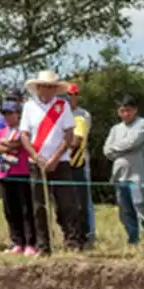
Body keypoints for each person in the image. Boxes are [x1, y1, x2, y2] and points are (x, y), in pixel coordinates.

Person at [20, 71, 83, 254]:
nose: (49, 90)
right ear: (38, 87)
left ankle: (72, 241)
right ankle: (43, 244)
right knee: (39, 206)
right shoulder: (29, 107)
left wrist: (56, 157)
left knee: (66, 203)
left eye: (52, 87)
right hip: (36, 162)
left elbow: (69, 134)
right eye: (46, 86)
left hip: (60, 162)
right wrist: (36, 156)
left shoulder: (62, 106)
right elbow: (24, 135)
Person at [104, 93, 144, 249]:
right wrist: (120, 149)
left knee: (142, 208)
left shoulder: (142, 124)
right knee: (124, 211)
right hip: (120, 176)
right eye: (122, 111)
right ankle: (132, 239)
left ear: (135, 110)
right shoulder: (115, 129)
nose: (125, 114)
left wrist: (117, 148)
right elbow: (106, 150)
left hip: (138, 176)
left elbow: (133, 142)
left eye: (128, 110)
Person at [0, 101, 34, 255]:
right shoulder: (0, 131)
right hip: (4, 173)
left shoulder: (23, 130)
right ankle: (17, 241)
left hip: (21, 173)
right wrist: (7, 145)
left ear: (18, 114)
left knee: (25, 209)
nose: (7, 117)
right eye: (5, 114)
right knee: (10, 210)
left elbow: (20, 144)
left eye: (10, 113)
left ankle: (30, 242)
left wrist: (7, 145)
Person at [67, 83, 96, 244]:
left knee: (85, 201)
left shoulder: (83, 115)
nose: (71, 98)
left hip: (80, 162)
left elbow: (76, 139)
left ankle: (89, 234)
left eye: (73, 95)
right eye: (68, 95)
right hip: (64, 164)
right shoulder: (59, 114)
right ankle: (73, 233)